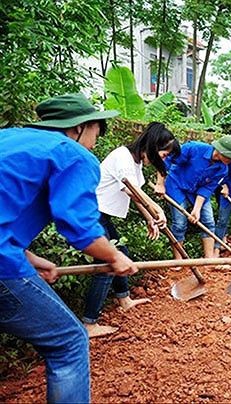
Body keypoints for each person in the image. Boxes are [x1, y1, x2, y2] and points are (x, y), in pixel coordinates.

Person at [0, 93, 137, 402]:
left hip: (7, 252)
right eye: (97, 131)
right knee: (70, 341)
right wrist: (115, 256)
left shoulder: (9, 139)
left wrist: (30, 258)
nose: (95, 142)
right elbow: (80, 229)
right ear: (79, 128)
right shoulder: (70, 153)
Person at [83, 122, 180, 337]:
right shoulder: (123, 158)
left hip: (101, 214)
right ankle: (89, 323)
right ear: (154, 147)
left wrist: (149, 218)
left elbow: (133, 196)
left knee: (122, 253)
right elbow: (134, 191)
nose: (162, 160)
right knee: (107, 263)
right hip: (92, 212)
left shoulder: (135, 161)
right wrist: (156, 210)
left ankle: (124, 299)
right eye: (164, 155)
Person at [154, 136, 231, 261]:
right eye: (230, 157)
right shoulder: (193, 148)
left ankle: (209, 259)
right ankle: (178, 261)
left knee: (208, 221)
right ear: (221, 151)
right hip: (176, 185)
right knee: (179, 223)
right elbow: (165, 161)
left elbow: (206, 189)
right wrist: (160, 183)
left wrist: (196, 209)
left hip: (197, 192)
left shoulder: (222, 169)